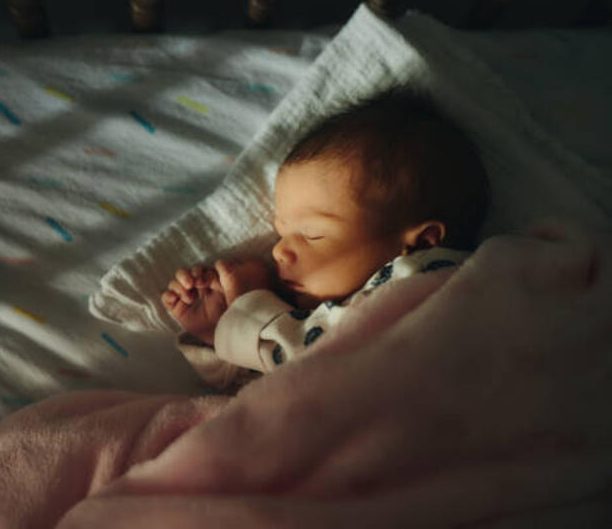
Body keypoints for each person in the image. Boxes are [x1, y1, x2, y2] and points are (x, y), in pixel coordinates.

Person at [161, 85, 490, 391]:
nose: (278, 250)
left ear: (422, 243)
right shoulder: (325, 314)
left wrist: (250, 309)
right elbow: (264, 392)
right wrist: (218, 327)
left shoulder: (429, 285)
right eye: (281, 233)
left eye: (311, 234)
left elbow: (315, 368)